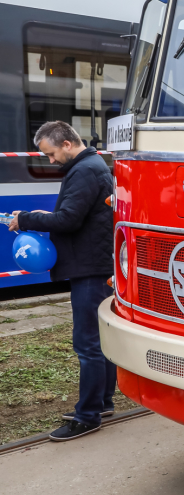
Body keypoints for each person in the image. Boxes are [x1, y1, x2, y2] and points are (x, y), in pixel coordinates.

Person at [7, 121, 115, 441]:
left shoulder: (84, 171)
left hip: (89, 268)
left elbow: (68, 220)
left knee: (87, 344)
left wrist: (25, 218)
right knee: (101, 341)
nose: (50, 161)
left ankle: (88, 416)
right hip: (95, 264)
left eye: (51, 154)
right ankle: (103, 402)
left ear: (67, 144)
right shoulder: (92, 166)